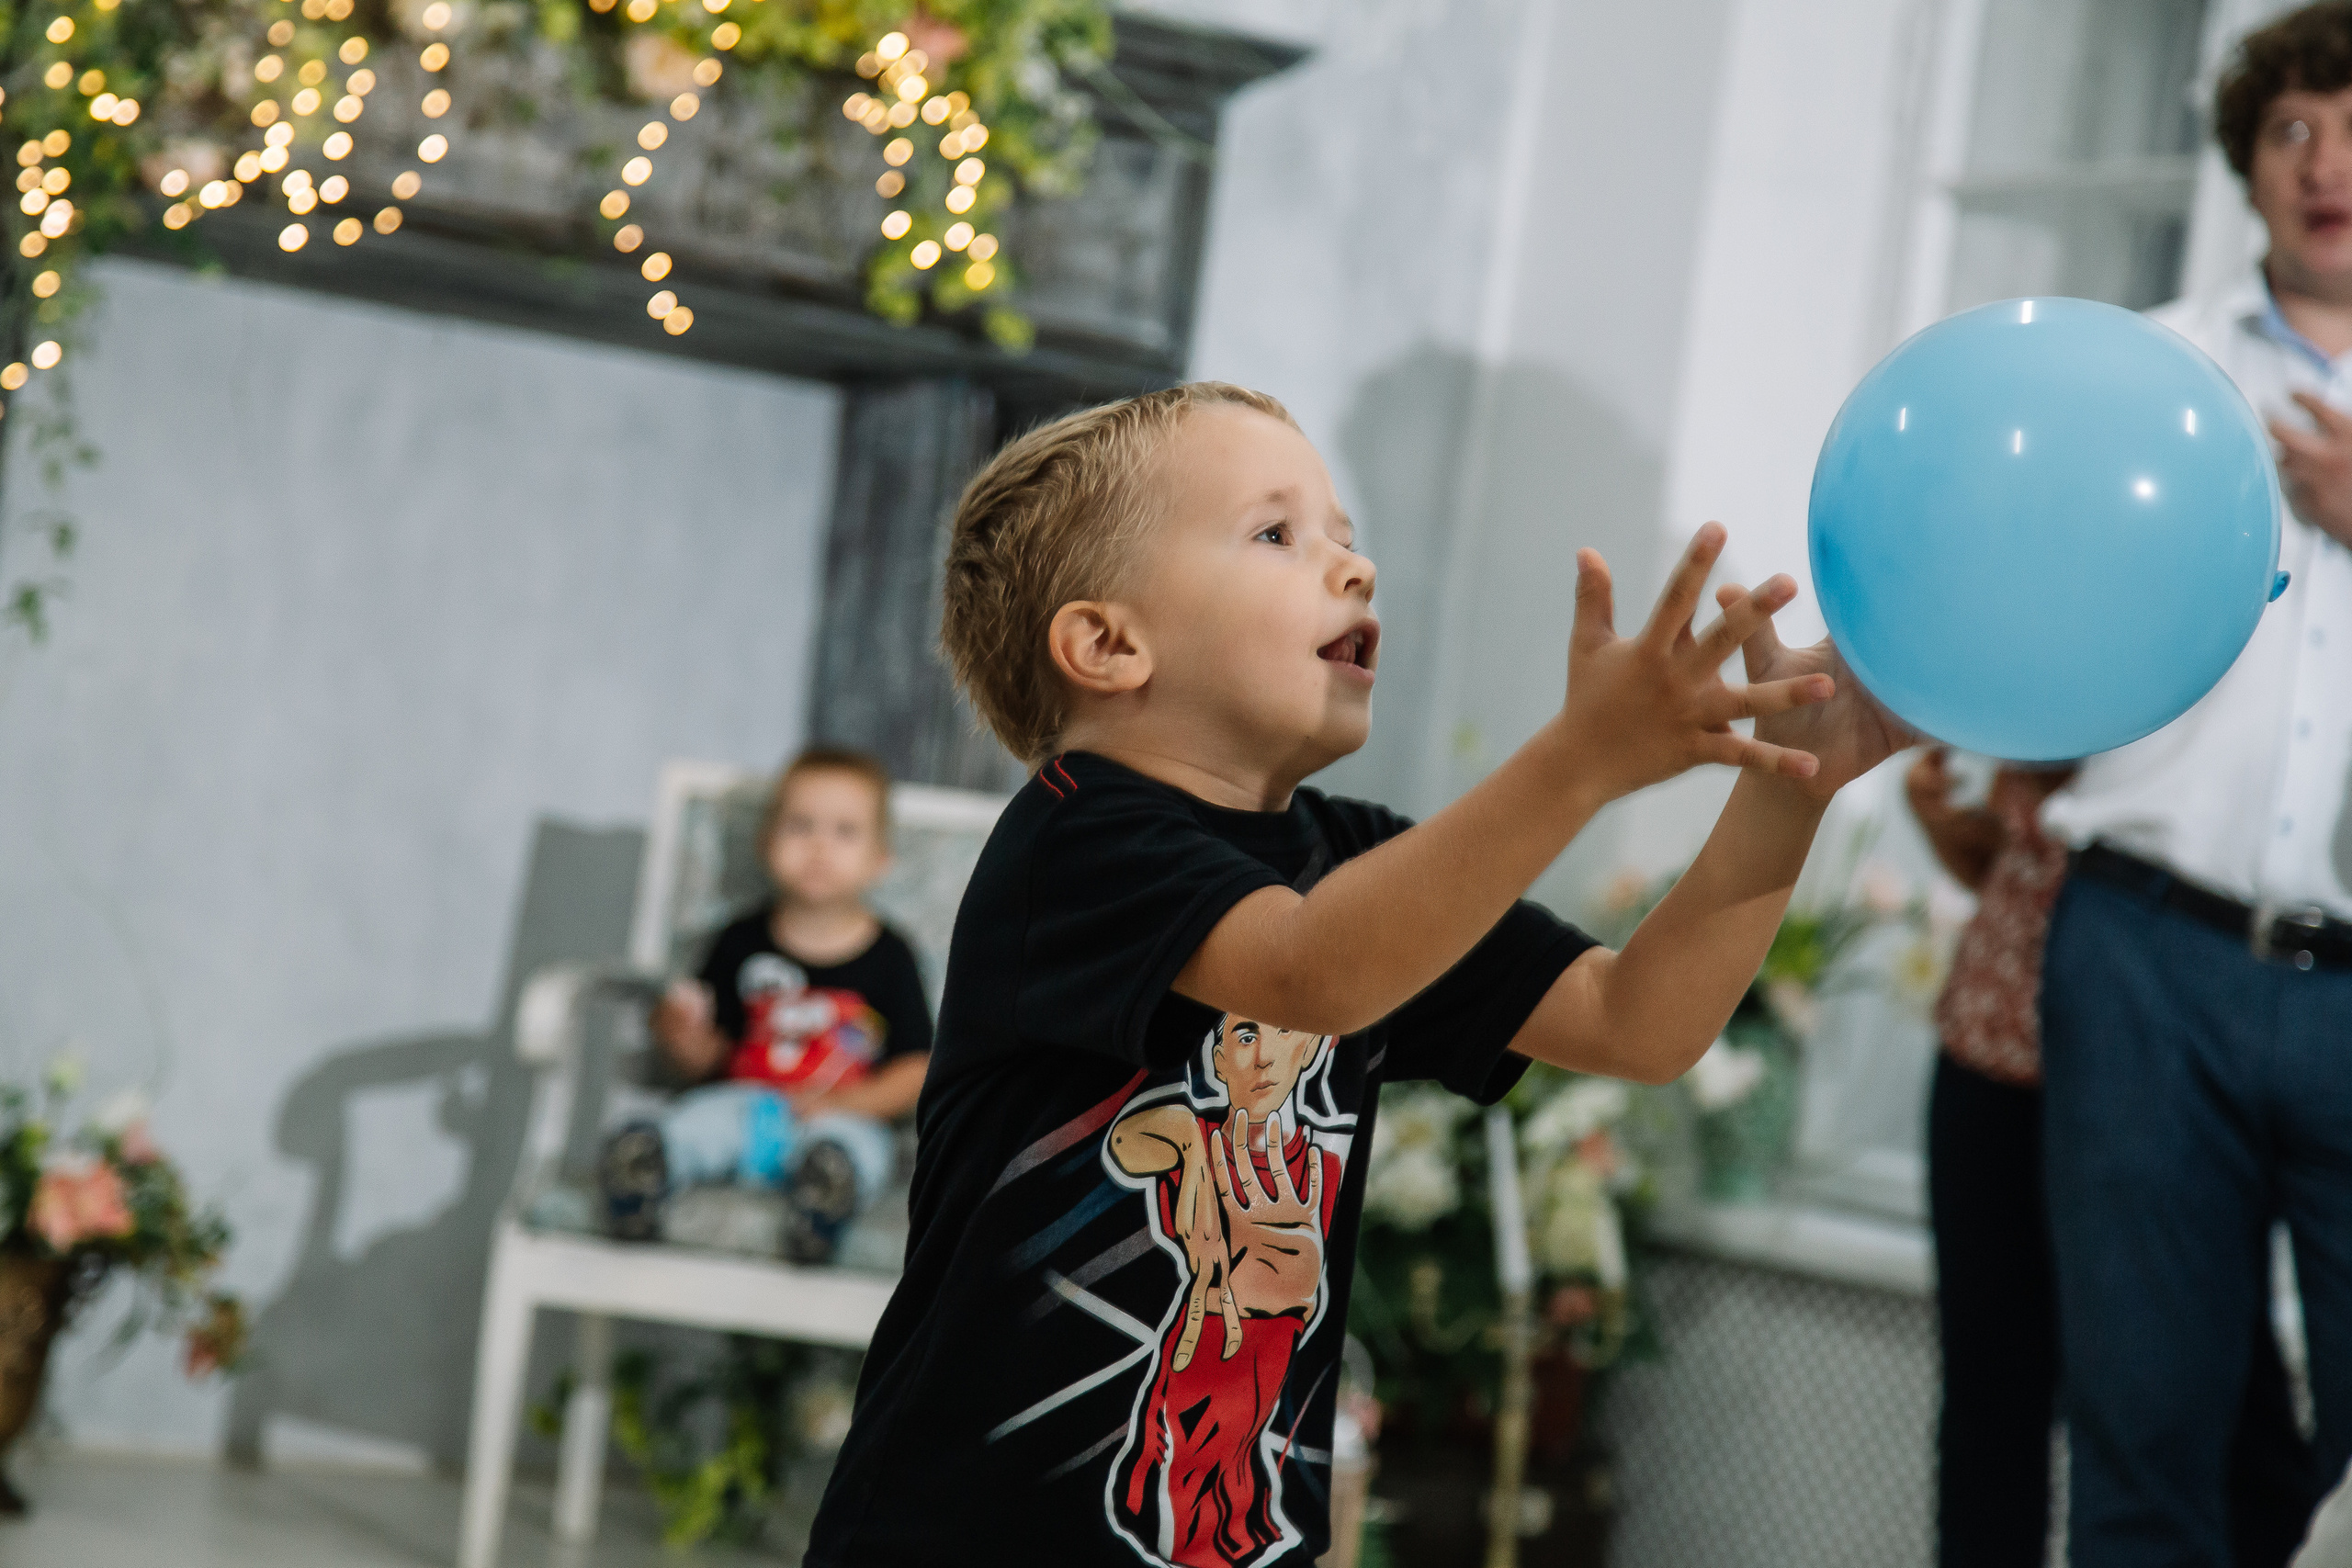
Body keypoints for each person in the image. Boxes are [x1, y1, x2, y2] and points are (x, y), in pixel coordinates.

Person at [806, 381, 1910, 1565]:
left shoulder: (1357, 860)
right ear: (1108, 645)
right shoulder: (1075, 842)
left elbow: (1636, 1022)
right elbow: (1308, 971)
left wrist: (1786, 788)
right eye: (1277, 533)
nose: (1354, 566)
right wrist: (1580, 762)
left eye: (1343, 529)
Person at [2035, 6, 2352, 1562]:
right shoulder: (2145, 372)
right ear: (2247, 162)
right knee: (2142, 1450)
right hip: (2145, 961)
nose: (2329, 163)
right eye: (2293, 128)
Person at [1909, 752, 2315, 1568]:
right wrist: (1951, 822)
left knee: (2234, 1418)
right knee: (1995, 1418)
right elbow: (2019, 860)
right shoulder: (2042, 684)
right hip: (2004, 1052)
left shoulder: (2219, 675)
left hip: (2179, 1077)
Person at [599, 746, 933, 1264]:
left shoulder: (891, 957)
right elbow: (709, 1057)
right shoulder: (738, 941)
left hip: (835, 1117)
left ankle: (823, 1199)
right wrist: (681, 1039)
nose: (820, 847)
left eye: (845, 832)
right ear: (766, 842)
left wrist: (844, 1105)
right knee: (693, 1124)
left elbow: (916, 1068)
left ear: (880, 860)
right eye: (800, 826)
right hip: (744, 1108)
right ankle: (647, 1166)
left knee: (861, 1150)